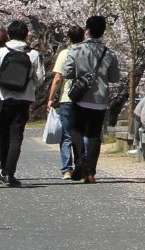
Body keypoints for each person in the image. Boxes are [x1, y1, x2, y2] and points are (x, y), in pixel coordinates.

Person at [65, 15, 122, 182]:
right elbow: (114, 77)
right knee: (94, 135)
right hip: (100, 99)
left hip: (81, 97)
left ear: (87, 30)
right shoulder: (109, 53)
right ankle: (91, 172)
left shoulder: (76, 50)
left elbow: (67, 72)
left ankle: (80, 161)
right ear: (103, 32)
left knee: (76, 130)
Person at [0, 19, 39, 186]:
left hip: (3, 98)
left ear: (8, 34)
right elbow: (38, 79)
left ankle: (2, 168)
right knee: (16, 137)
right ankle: (9, 173)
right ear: (26, 35)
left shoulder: (0, 52)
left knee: (3, 135)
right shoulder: (33, 54)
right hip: (24, 99)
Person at [44, 24, 85, 180]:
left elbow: (58, 78)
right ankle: (81, 165)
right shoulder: (88, 53)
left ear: (68, 38)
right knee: (81, 134)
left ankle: (66, 169)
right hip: (84, 99)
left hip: (67, 98)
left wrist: (50, 99)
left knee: (67, 135)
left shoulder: (65, 53)